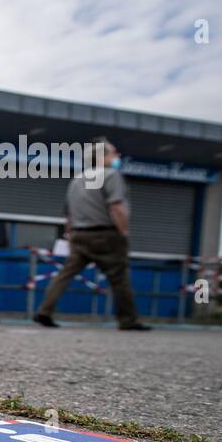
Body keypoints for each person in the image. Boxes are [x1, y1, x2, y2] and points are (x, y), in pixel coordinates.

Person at [33, 137, 150, 330]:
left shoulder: (77, 180)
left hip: (79, 235)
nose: (117, 156)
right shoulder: (111, 175)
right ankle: (128, 320)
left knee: (65, 275)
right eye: (113, 153)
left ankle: (44, 311)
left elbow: (69, 215)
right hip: (106, 234)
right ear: (102, 157)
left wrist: (70, 236)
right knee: (119, 277)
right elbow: (116, 207)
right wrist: (123, 232)